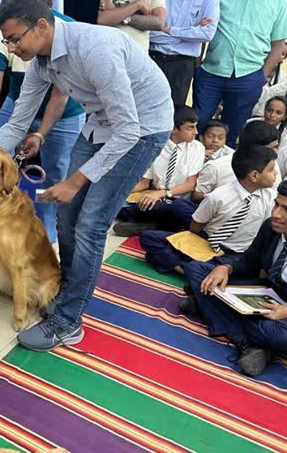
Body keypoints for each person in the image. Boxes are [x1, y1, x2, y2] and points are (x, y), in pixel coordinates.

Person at [0, 0, 173, 351]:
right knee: (65, 215)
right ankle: (69, 291)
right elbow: (19, 121)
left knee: (90, 223)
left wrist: (76, 181)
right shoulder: (41, 61)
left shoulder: (95, 50)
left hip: (143, 129)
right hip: (101, 124)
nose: (11, 49)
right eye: (7, 41)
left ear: (41, 26)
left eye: (14, 39)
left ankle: (68, 321)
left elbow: (129, 129)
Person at [0, 0, 85, 244]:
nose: (12, 46)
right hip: (20, 101)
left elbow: (60, 98)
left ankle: (47, 234)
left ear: (45, 6)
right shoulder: (7, 30)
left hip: (65, 112)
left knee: (57, 174)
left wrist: (40, 134)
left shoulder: (68, 33)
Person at [180, 180, 287, 376]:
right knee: (197, 270)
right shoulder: (270, 227)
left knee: (277, 334)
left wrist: (285, 312)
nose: (276, 214)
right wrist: (227, 268)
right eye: (276, 204)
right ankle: (250, 342)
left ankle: (213, 311)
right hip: (265, 291)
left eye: (286, 209)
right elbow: (250, 262)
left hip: (282, 312)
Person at [193, 0, 287, 147]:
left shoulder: (280, 3)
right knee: (197, 123)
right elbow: (203, 31)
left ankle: (222, 172)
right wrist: (198, 64)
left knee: (232, 130)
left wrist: (262, 76)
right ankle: (189, 168)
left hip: (248, 76)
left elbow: (278, 44)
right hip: (211, 72)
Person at [140, 145, 277, 274]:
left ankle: (187, 266)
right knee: (149, 237)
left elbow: (266, 228)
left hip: (235, 253)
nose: (276, 173)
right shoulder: (218, 196)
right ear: (254, 176)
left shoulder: (270, 197)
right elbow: (195, 227)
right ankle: (186, 269)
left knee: (236, 269)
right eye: (271, 170)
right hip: (207, 241)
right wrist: (193, 244)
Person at [113, 105, 205, 236]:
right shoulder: (156, 145)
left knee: (178, 209)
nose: (196, 132)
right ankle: (157, 226)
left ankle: (149, 224)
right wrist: (119, 192)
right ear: (173, 128)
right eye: (190, 128)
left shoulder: (197, 148)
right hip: (155, 200)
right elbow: (145, 183)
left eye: (195, 126)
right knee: (121, 203)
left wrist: (162, 194)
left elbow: (190, 184)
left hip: (177, 201)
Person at [148, 0, 219, 106]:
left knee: (173, 114)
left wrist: (168, 29)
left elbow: (207, 34)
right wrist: (191, 32)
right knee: (144, 108)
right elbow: (151, 33)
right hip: (154, 58)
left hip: (183, 65)